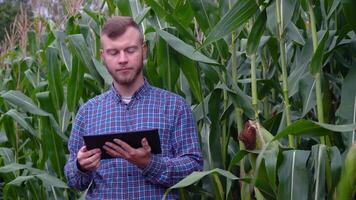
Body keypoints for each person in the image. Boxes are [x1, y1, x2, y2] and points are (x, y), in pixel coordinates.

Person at [64, 16, 203, 199]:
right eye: (113, 53)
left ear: (144, 50)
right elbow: (73, 180)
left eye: (130, 50)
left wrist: (149, 163)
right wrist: (80, 166)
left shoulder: (174, 107)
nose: (123, 59)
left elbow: (194, 170)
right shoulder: (88, 112)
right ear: (102, 56)